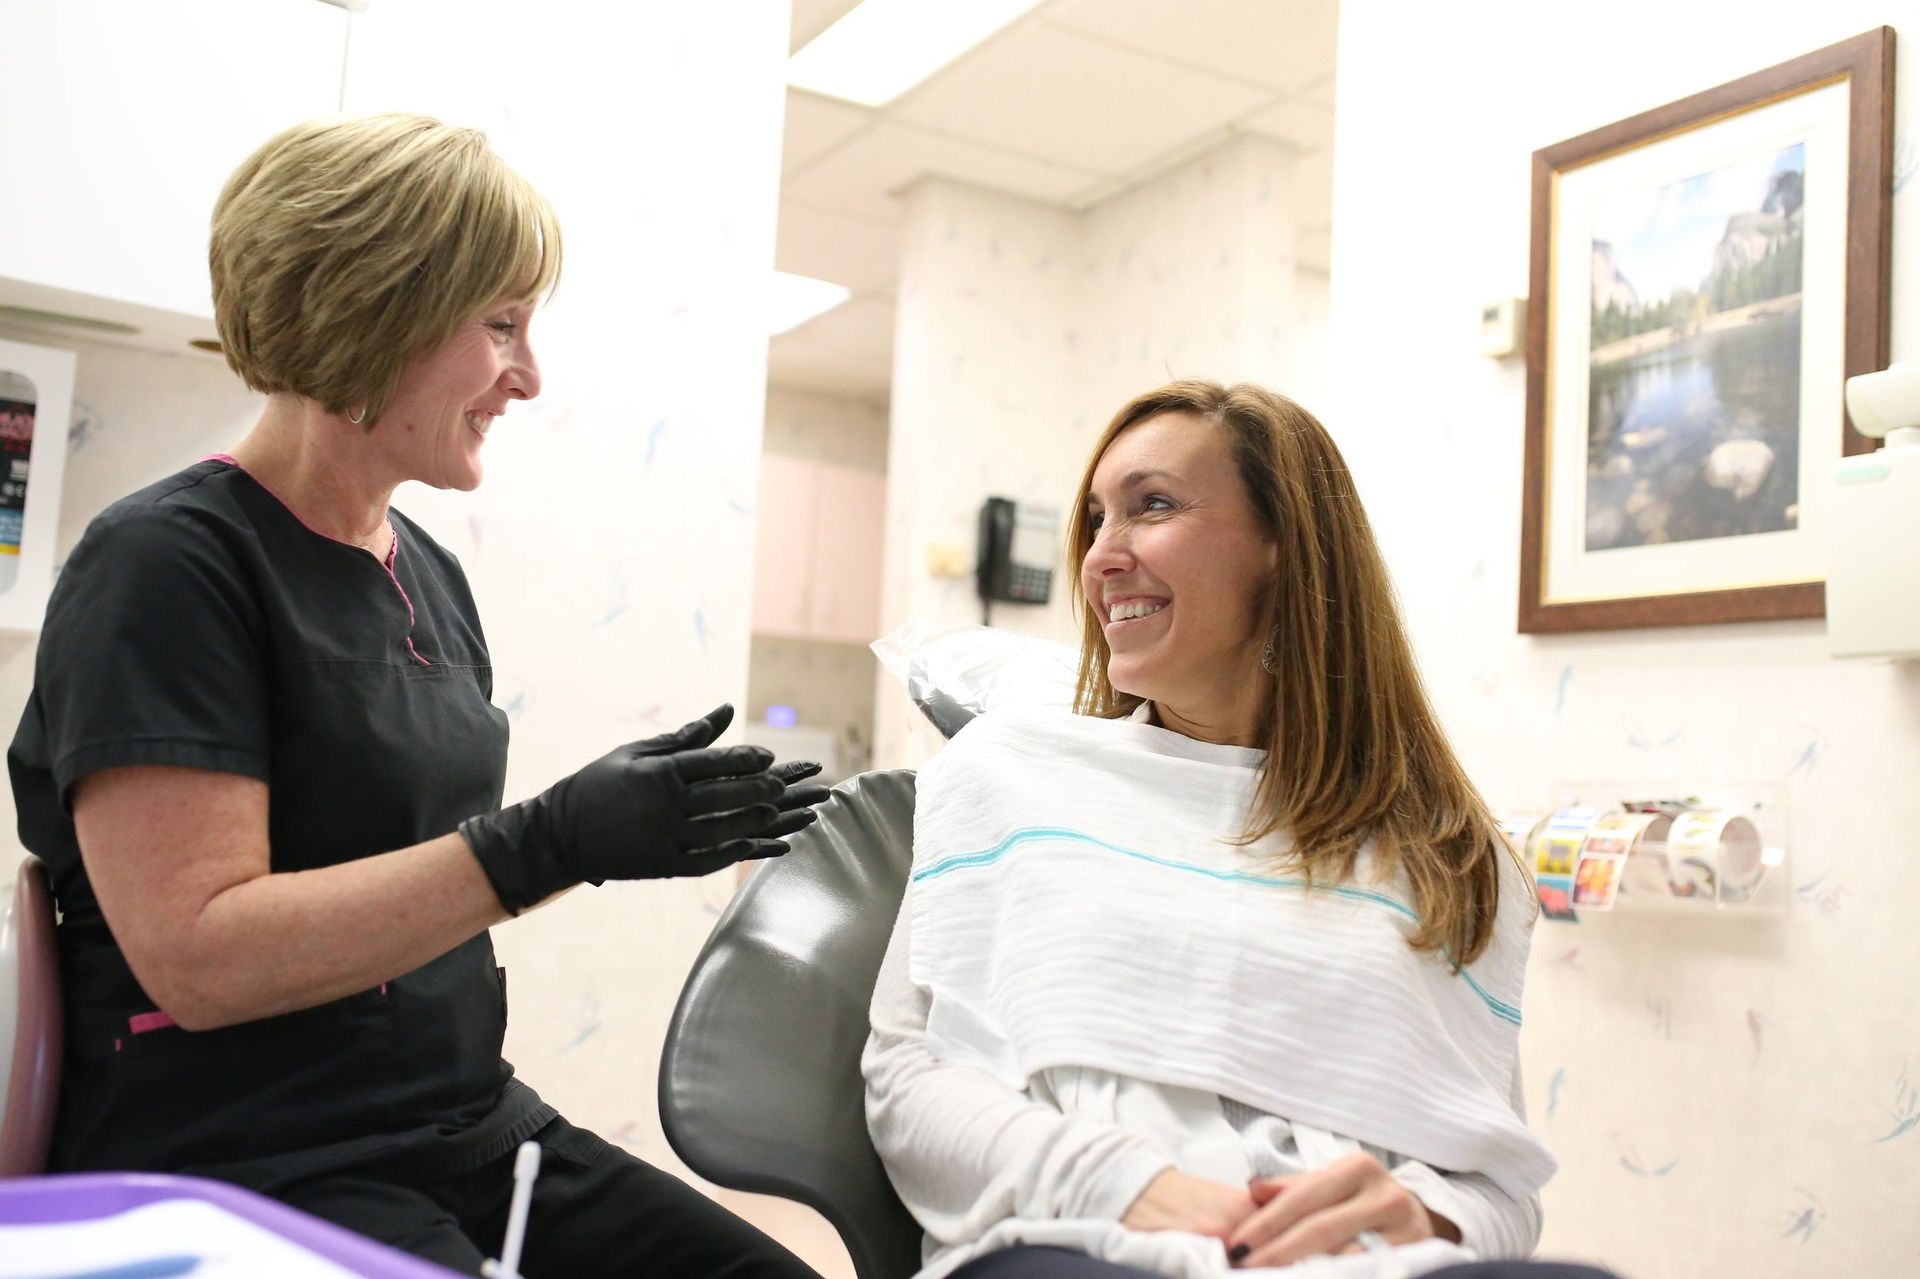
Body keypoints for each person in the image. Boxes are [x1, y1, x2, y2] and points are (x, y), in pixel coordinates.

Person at [8, 114, 827, 1278]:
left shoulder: (424, 573)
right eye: (500, 325)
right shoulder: (167, 566)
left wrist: (590, 834)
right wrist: (548, 843)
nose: (528, 377)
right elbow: (198, 955)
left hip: (458, 1127)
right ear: (372, 305)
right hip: (243, 1154)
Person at [863, 382, 1596, 1279]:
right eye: (1097, 520)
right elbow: (909, 1080)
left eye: (1152, 505)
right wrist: (1130, 1185)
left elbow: (1495, 1186)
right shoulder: (1009, 774)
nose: (1101, 557)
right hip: (1082, 1241)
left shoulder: (1437, 853)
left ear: (1286, 547)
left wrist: (1425, 1216)